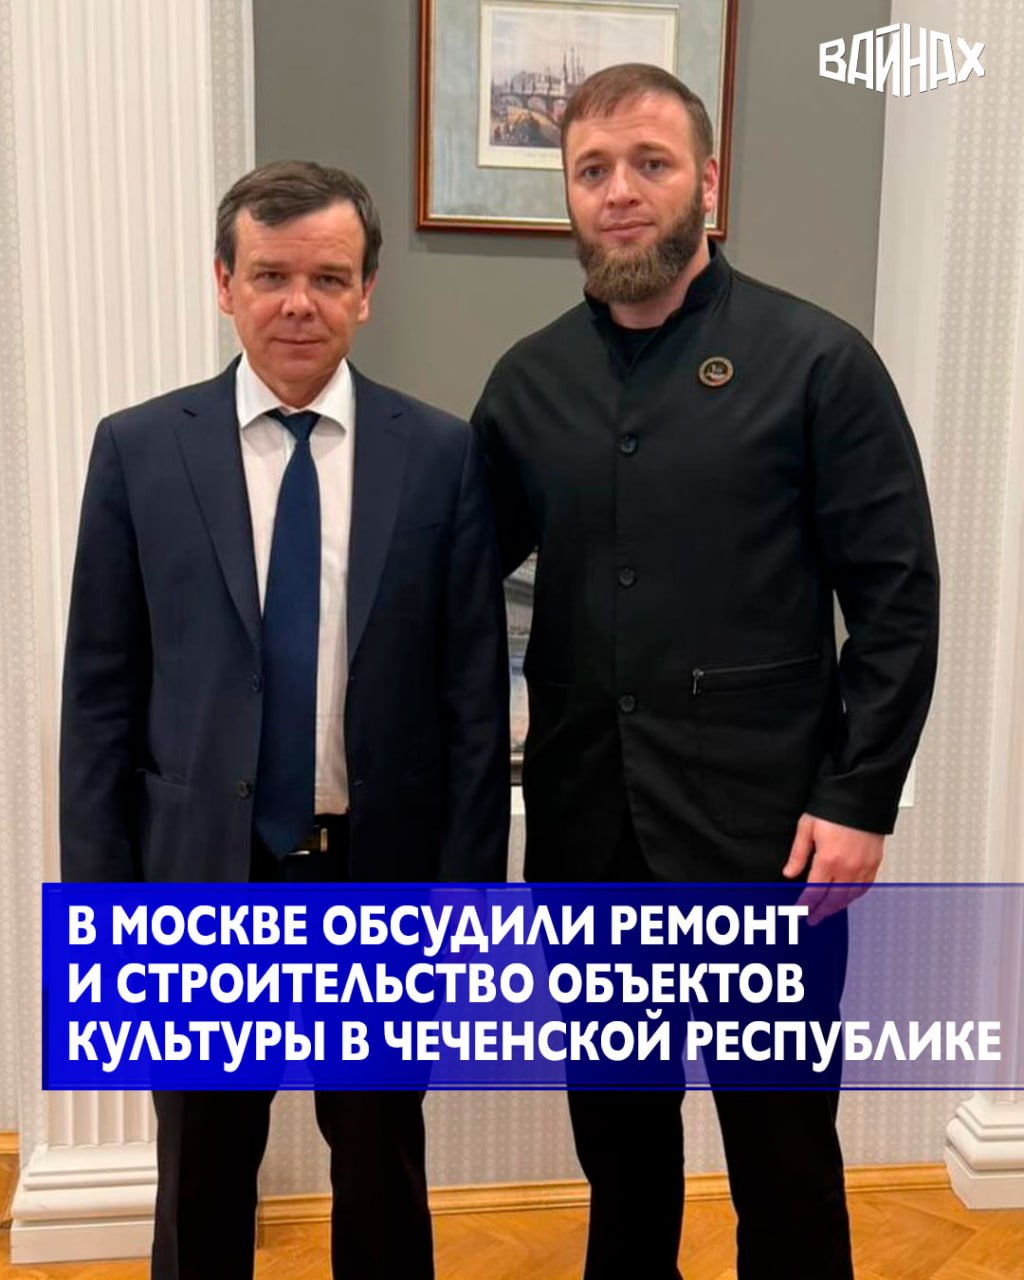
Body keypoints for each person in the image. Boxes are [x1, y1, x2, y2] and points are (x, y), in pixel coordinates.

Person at [472, 64, 939, 1280]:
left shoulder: (817, 361)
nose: (619, 191)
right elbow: (453, 587)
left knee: (783, 1159)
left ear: (708, 183)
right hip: (588, 842)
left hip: (771, 846)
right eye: (592, 170)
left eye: (650, 163)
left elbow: (895, 597)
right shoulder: (526, 383)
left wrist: (858, 796)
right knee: (619, 1153)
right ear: (568, 197)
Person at [60, 160, 510, 1280]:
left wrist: (469, 902)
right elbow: (100, 698)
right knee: (202, 1174)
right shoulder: (139, 450)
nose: (298, 304)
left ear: (367, 292)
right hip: (201, 879)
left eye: (327, 277)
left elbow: (471, 701)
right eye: (270, 275)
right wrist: (101, 910)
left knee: (381, 1169)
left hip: (380, 877)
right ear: (224, 283)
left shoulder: (440, 454)